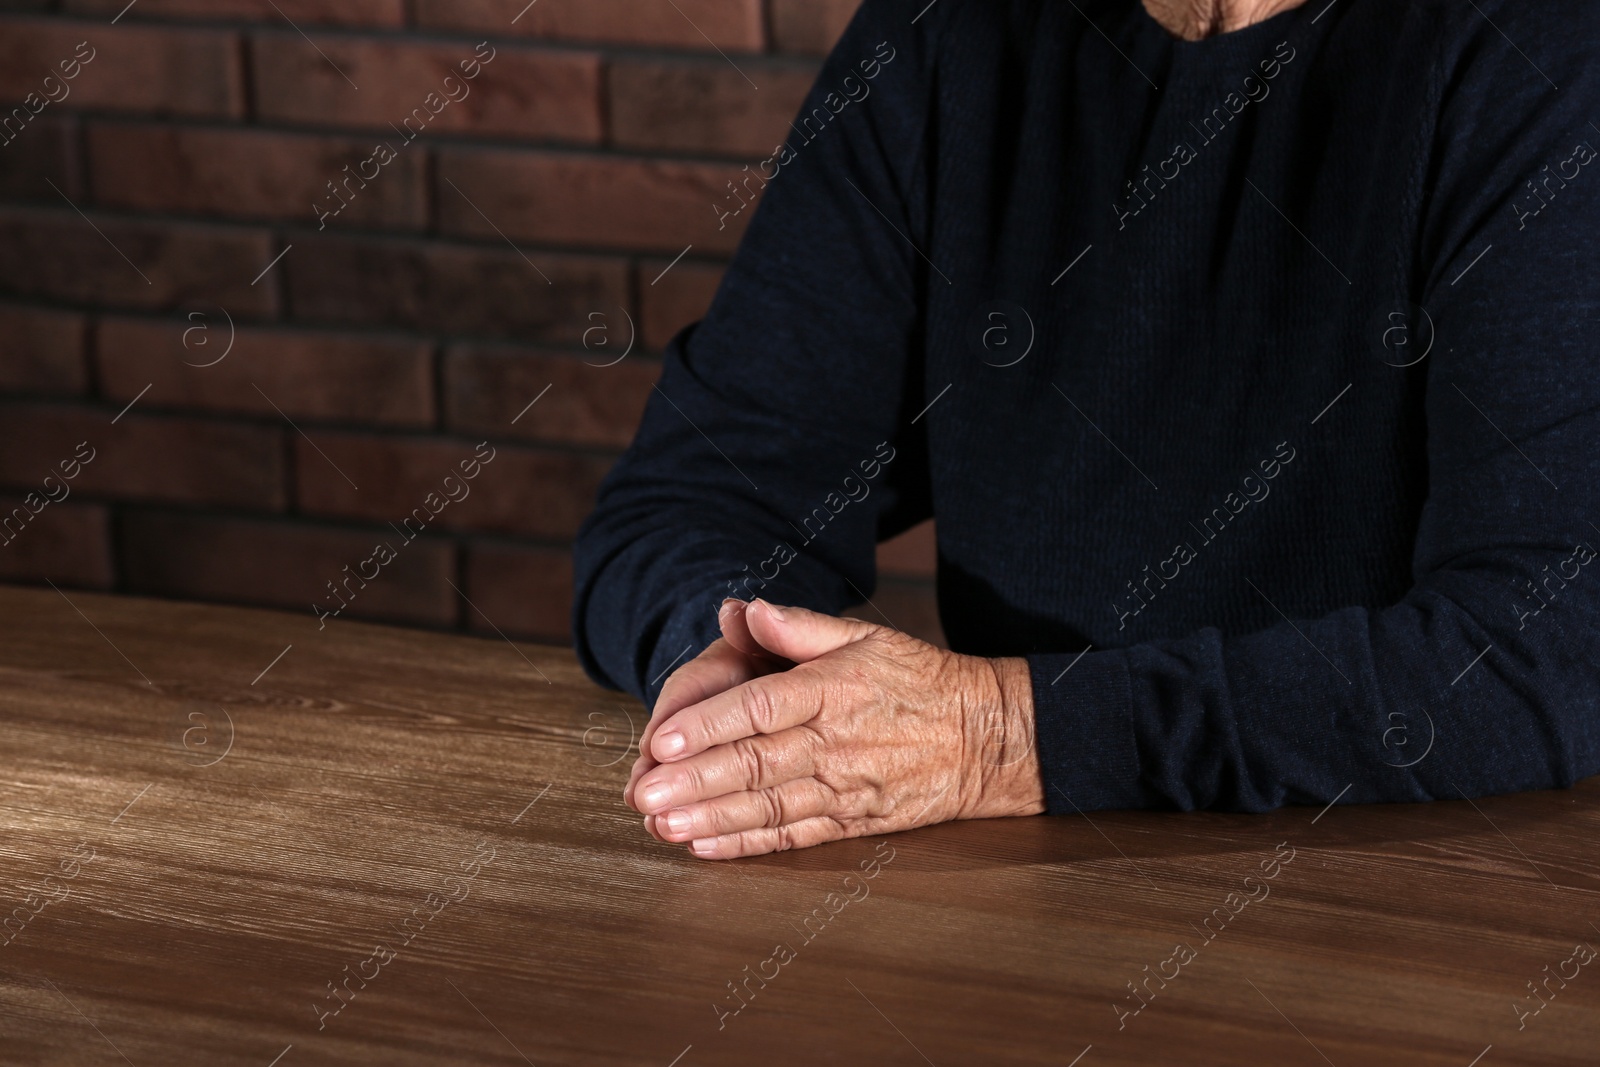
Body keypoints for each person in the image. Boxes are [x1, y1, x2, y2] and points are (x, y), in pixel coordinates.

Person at [571, 0, 1600, 859]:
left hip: (1412, 899)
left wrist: (1008, 734)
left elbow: (1547, 648)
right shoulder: (947, 33)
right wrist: (735, 667)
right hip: (1027, 895)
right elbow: (699, 492)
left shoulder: (1543, 56)